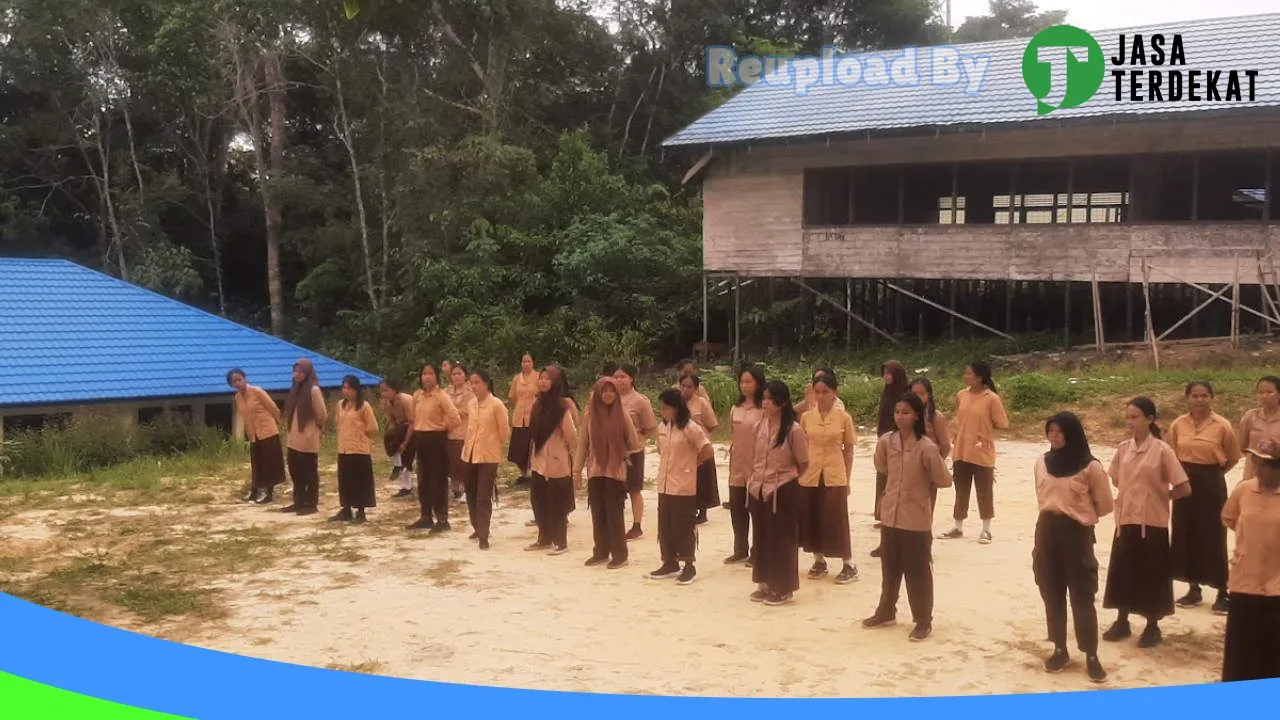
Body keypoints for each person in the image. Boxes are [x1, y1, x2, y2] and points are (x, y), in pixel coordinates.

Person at [1102, 397, 1191, 649]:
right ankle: (1122, 621)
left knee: (1152, 574)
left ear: (1150, 419)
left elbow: (1184, 487)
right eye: (1128, 417)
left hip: (1152, 522)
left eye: (1135, 417)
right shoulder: (1122, 449)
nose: (1130, 422)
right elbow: (1116, 479)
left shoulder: (1163, 450)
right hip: (1126, 519)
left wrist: (1162, 497)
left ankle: (1153, 626)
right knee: (1122, 570)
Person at [864, 393, 952, 642]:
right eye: (897, 412)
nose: (900, 417)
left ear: (916, 416)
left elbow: (944, 480)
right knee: (889, 568)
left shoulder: (926, 447)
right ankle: (886, 610)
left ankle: (923, 620)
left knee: (918, 572)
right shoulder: (886, 442)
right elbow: (881, 467)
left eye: (906, 412)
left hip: (915, 518)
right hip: (890, 515)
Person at [1031, 412, 1112, 683]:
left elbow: (1105, 505)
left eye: (1059, 432)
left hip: (1077, 534)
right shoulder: (1041, 463)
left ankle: (1091, 654)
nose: (1054, 437)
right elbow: (1041, 496)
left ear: (1072, 434)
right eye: (1050, 431)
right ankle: (1059, 648)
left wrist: (1078, 516)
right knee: (1051, 591)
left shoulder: (1091, 467)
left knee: (1082, 594)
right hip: (1046, 532)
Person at [1167, 381, 1242, 615]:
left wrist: (1211, 475)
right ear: (1187, 398)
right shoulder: (1178, 424)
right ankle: (1193, 588)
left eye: (1205, 396)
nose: (1200, 400)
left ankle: (1222, 592)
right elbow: (1170, 455)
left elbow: (1232, 458)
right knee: (1186, 534)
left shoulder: (1223, 426)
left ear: (1212, 398)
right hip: (1184, 484)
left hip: (1211, 485)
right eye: (1195, 396)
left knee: (1213, 535)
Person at [1220, 439, 1280, 683]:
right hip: (1244, 581)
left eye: (1264, 462)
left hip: (1276, 586)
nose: (1256, 466)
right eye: (1255, 460)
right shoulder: (1244, 489)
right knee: (1240, 651)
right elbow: (1229, 517)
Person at [748, 381, 809, 606]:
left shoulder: (793, 430)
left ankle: (783, 587)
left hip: (783, 488)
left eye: (769, 399)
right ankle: (764, 581)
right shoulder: (760, 426)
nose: (764, 402)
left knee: (782, 539)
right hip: (760, 487)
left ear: (781, 403)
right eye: (763, 398)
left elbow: (804, 463)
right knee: (762, 536)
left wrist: (787, 479)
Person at [797, 370, 858, 585]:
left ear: (835, 393)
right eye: (817, 392)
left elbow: (849, 450)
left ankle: (848, 563)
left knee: (836, 518)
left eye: (826, 392)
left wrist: (847, 479)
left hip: (835, 472)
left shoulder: (844, 418)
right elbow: (802, 447)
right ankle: (818, 559)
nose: (821, 396)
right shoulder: (806, 417)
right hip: (811, 472)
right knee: (811, 515)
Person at [577, 376, 643, 569]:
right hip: (595, 471)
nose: (607, 394)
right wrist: (576, 471)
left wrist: (620, 452)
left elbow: (634, 442)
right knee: (598, 513)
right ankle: (600, 551)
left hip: (615, 473)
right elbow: (583, 444)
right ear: (598, 393)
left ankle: (620, 554)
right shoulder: (590, 415)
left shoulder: (622, 415)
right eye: (604, 391)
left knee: (614, 513)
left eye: (611, 390)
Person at [940, 362, 1009, 545]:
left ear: (979, 377)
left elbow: (1002, 423)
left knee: (984, 490)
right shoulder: (961, 395)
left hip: (982, 451)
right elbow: (959, 418)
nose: (965, 376)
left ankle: (986, 530)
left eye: (969, 373)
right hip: (961, 449)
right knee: (961, 489)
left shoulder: (991, 398)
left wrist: (983, 432)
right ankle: (958, 526)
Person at [650, 389, 713, 585]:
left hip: (684, 485)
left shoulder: (691, 427)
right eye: (662, 408)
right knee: (665, 524)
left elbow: (707, 450)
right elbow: (661, 450)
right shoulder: (662, 426)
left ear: (677, 408)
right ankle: (669, 561)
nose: (664, 411)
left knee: (683, 525)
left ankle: (688, 565)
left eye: (667, 408)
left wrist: (693, 464)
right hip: (665, 483)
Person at [401, 364, 462, 533]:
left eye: (430, 373)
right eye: (424, 373)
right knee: (423, 480)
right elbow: (413, 420)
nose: (427, 377)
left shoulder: (441, 396)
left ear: (436, 377)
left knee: (438, 480)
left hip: (437, 439)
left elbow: (455, 418)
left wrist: (443, 426)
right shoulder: (417, 396)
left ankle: (442, 519)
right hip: (421, 438)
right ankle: (426, 516)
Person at [528, 366, 577, 555]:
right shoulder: (537, 404)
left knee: (557, 503)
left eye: (547, 379)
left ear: (555, 382)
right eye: (541, 378)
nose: (543, 382)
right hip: (539, 460)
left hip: (558, 460)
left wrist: (573, 462)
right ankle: (544, 538)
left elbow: (571, 437)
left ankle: (560, 541)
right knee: (538, 500)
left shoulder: (561, 407)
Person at [461, 370, 510, 550]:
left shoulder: (496, 404)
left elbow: (504, 432)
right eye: (471, 383)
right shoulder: (472, 404)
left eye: (477, 382)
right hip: (469, 454)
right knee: (471, 493)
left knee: (483, 495)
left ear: (486, 384)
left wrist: (492, 444)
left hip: (488, 456)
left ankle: (484, 534)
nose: (474, 386)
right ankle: (476, 526)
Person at [725, 366, 765, 565]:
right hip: (737, 467)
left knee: (757, 512)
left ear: (758, 383)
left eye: (749, 382)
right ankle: (739, 549)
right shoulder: (735, 408)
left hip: (758, 468)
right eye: (742, 382)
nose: (745, 386)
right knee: (737, 510)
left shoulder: (764, 409)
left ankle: (758, 551)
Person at [614, 364, 659, 541]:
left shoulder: (640, 401)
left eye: (623, 376)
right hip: (613, 452)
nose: (619, 380)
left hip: (633, 451)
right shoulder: (608, 398)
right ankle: (615, 524)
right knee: (614, 490)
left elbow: (651, 427)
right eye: (616, 377)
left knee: (634, 489)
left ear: (632, 378)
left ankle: (636, 525)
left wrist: (636, 439)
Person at [228, 369, 285, 505]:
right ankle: (255, 491)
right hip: (253, 434)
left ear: (245, 378)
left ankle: (269, 494)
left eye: (239, 379)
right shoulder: (237, 397)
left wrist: (279, 425)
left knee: (269, 463)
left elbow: (273, 409)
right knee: (257, 464)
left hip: (268, 431)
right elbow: (244, 417)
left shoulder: (257, 391)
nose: (237, 383)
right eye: (234, 381)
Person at [282, 359, 327, 516]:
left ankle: (311, 503)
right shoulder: (295, 388)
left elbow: (322, 414)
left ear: (307, 372)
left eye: (301, 371)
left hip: (308, 436)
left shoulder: (313, 390)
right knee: (295, 470)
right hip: (293, 437)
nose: (297, 374)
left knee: (309, 472)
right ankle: (298, 501)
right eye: (295, 371)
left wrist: (317, 429)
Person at [332, 376, 379, 524]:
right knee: (345, 480)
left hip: (359, 450)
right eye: (344, 388)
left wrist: (361, 433)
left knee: (360, 481)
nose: (346, 391)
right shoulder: (341, 405)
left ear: (356, 389)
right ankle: (346, 508)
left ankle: (360, 510)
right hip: (344, 448)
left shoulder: (364, 406)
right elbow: (337, 422)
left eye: (349, 388)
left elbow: (373, 428)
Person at [873, 361, 910, 533]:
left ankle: (897, 515)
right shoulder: (886, 392)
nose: (886, 377)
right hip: (885, 440)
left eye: (889, 373)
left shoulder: (905, 394)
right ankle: (882, 514)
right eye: (884, 373)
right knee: (883, 477)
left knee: (897, 479)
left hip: (900, 441)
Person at [680, 374, 720, 525]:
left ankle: (702, 512)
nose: (685, 389)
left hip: (701, 448)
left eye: (689, 386)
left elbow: (713, 424)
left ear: (696, 389)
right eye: (683, 386)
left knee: (703, 480)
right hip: (683, 448)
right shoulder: (676, 403)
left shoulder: (701, 403)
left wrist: (702, 435)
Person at [911, 376, 951, 513]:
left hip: (927, 469)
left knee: (925, 509)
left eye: (921, 394)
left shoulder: (935, 417)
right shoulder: (905, 415)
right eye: (914, 394)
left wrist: (936, 464)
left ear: (929, 395)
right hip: (908, 467)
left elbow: (945, 445)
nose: (917, 397)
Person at [1237, 376, 1280, 482]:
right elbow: (1242, 445)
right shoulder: (1250, 417)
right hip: (1253, 476)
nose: (1264, 396)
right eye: (1260, 392)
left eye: (1269, 392)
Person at [378, 379, 416, 499]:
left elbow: (412, 422)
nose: (384, 393)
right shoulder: (386, 403)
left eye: (386, 390)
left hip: (414, 427)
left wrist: (405, 442)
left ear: (394, 390)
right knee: (390, 440)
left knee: (407, 455)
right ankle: (406, 486)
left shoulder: (405, 400)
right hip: (401, 428)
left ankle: (407, 483)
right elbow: (392, 422)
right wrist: (393, 437)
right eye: (382, 391)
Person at [507, 353, 540, 487]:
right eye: (524, 361)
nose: (526, 364)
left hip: (533, 416)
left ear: (533, 363)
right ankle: (523, 473)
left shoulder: (538, 377)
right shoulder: (517, 379)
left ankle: (533, 473)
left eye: (529, 361)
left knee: (532, 445)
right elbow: (513, 396)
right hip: (519, 417)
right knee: (519, 446)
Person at [445, 364, 476, 504]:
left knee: (463, 463)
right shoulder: (446, 391)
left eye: (459, 373)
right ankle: (456, 488)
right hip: (448, 431)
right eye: (454, 374)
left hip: (464, 432)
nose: (456, 376)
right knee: (451, 463)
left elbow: (467, 410)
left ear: (465, 375)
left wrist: (452, 411)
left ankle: (466, 490)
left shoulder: (470, 392)